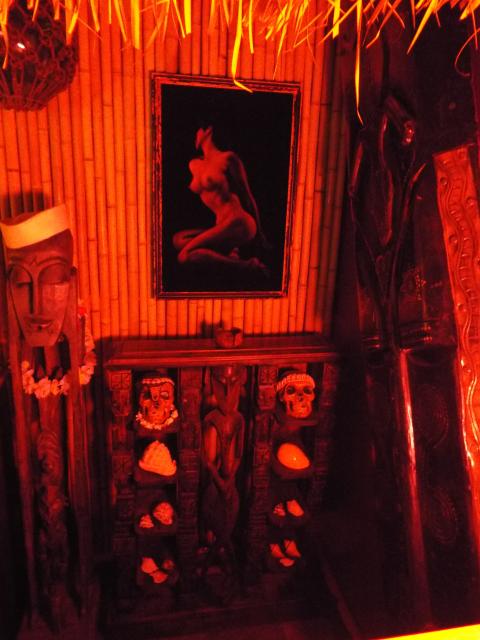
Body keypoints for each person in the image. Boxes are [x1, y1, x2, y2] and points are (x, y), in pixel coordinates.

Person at [173, 126, 268, 273]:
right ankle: (230, 253)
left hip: (238, 221)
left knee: (184, 257)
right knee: (178, 240)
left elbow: (247, 195)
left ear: (208, 131)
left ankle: (249, 266)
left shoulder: (228, 158)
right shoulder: (195, 164)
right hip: (221, 225)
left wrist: (260, 233)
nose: (195, 135)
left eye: (198, 130)